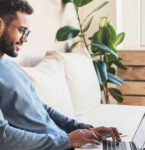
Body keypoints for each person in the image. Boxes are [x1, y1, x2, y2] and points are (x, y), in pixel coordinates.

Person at [0, 0, 121, 149]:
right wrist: (66, 141)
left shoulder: (11, 66)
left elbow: (41, 107)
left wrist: (82, 128)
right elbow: (3, 136)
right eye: (21, 30)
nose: (25, 38)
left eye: (27, 32)